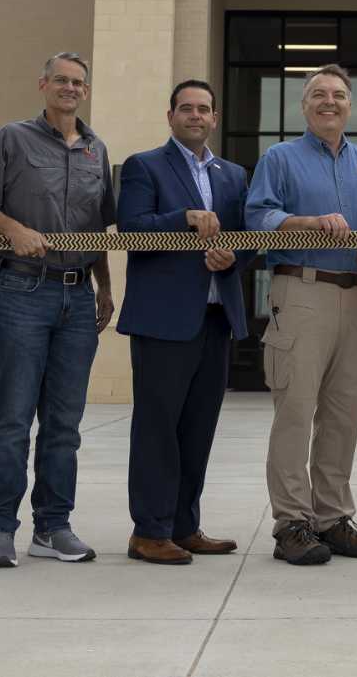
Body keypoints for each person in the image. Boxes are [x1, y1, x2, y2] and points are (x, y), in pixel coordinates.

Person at [0, 52, 117, 570]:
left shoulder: (97, 151)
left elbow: (101, 229)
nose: (69, 88)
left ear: (86, 92)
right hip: (24, 293)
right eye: (61, 80)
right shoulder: (12, 138)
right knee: (13, 419)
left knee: (64, 423)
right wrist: (12, 229)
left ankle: (53, 527)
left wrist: (105, 287)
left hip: (79, 298)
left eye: (78, 82)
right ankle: (0, 530)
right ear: (43, 85)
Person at [245, 64, 357, 566]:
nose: (329, 102)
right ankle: (292, 524)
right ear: (304, 106)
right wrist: (305, 222)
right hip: (301, 292)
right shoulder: (279, 158)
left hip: (356, 297)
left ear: (350, 105)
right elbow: (257, 218)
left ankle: (332, 519)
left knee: (343, 414)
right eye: (319, 95)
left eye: (339, 95)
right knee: (296, 411)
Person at [115, 78, 250, 566]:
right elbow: (131, 231)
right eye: (186, 109)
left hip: (216, 317)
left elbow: (248, 238)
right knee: (157, 428)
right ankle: (149, 531)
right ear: (170, 115)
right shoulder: (143, 166)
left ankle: (184, 526)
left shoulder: (232, 174)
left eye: (205, 109)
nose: (196, 116)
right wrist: (184, 219)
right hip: (163, 321)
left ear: (214, 118)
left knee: (198, 427)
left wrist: (231, 256)